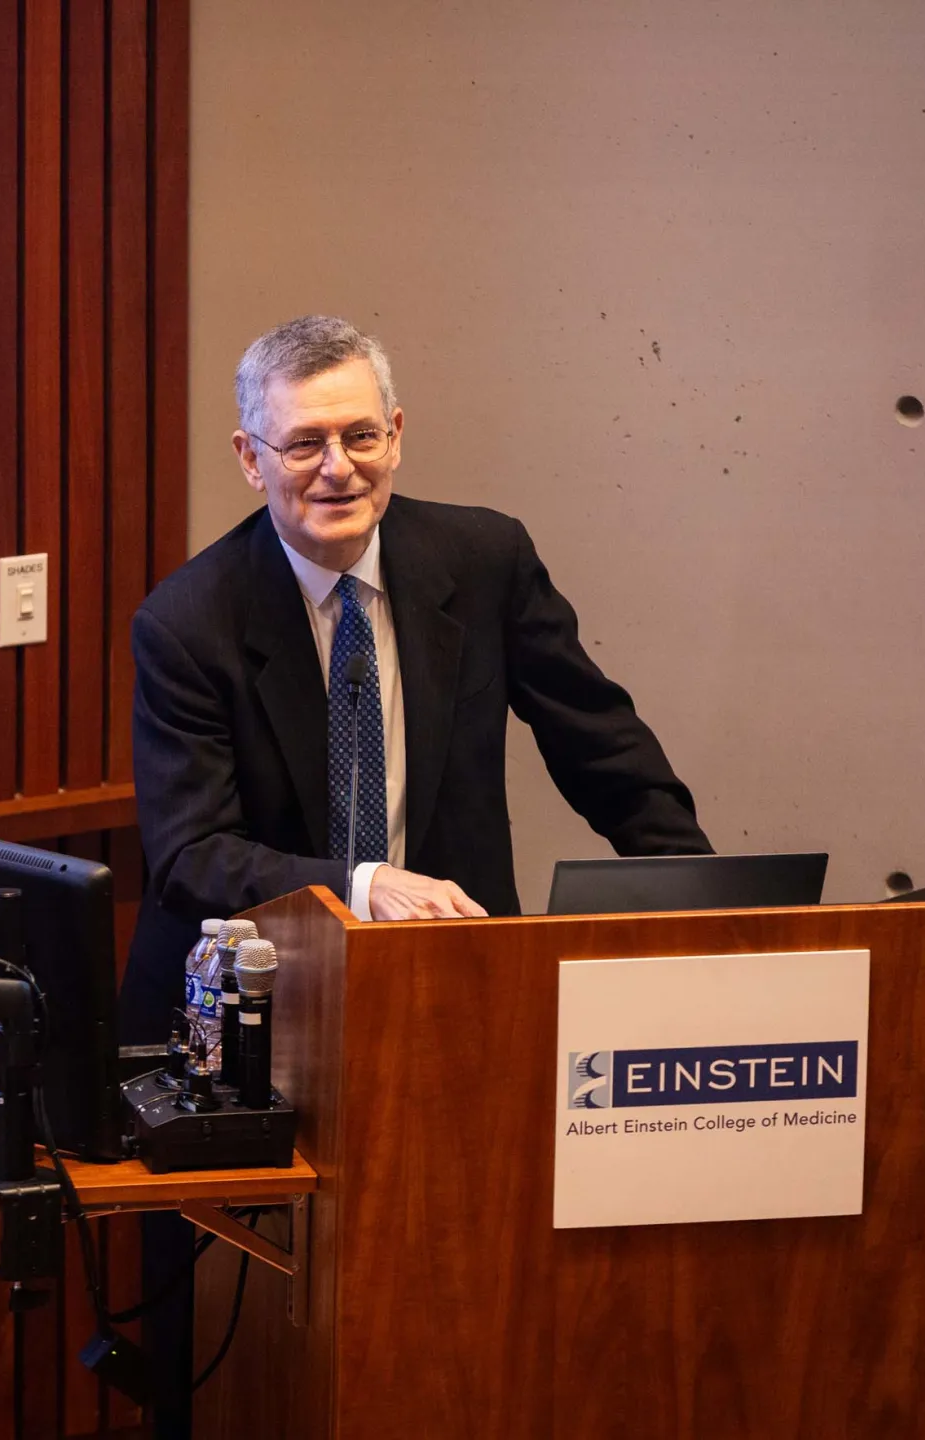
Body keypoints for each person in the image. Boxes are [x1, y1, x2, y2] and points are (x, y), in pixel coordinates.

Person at [120, 315, 710, 1044]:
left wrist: (707, 903)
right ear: (250, 458)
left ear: (395, 436)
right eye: (305, 443)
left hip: (454, 976)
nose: (338, 467)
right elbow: (194, 854)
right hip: (259, 1003)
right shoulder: (187, 623)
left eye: (361, 436)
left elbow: (604, 753)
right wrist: (365, 887)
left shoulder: (486, 560)